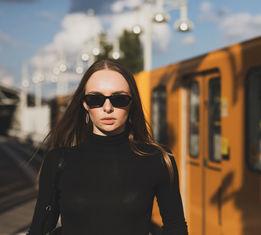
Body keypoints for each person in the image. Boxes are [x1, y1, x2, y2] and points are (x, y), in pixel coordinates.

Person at [28, 59, 188, 235]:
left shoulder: (159, 159)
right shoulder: (58, 161)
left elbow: (176, 228)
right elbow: (39, 229)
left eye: (119, 99)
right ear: (85, 104)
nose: (107, 107)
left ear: (132, 102)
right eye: (95, 99)